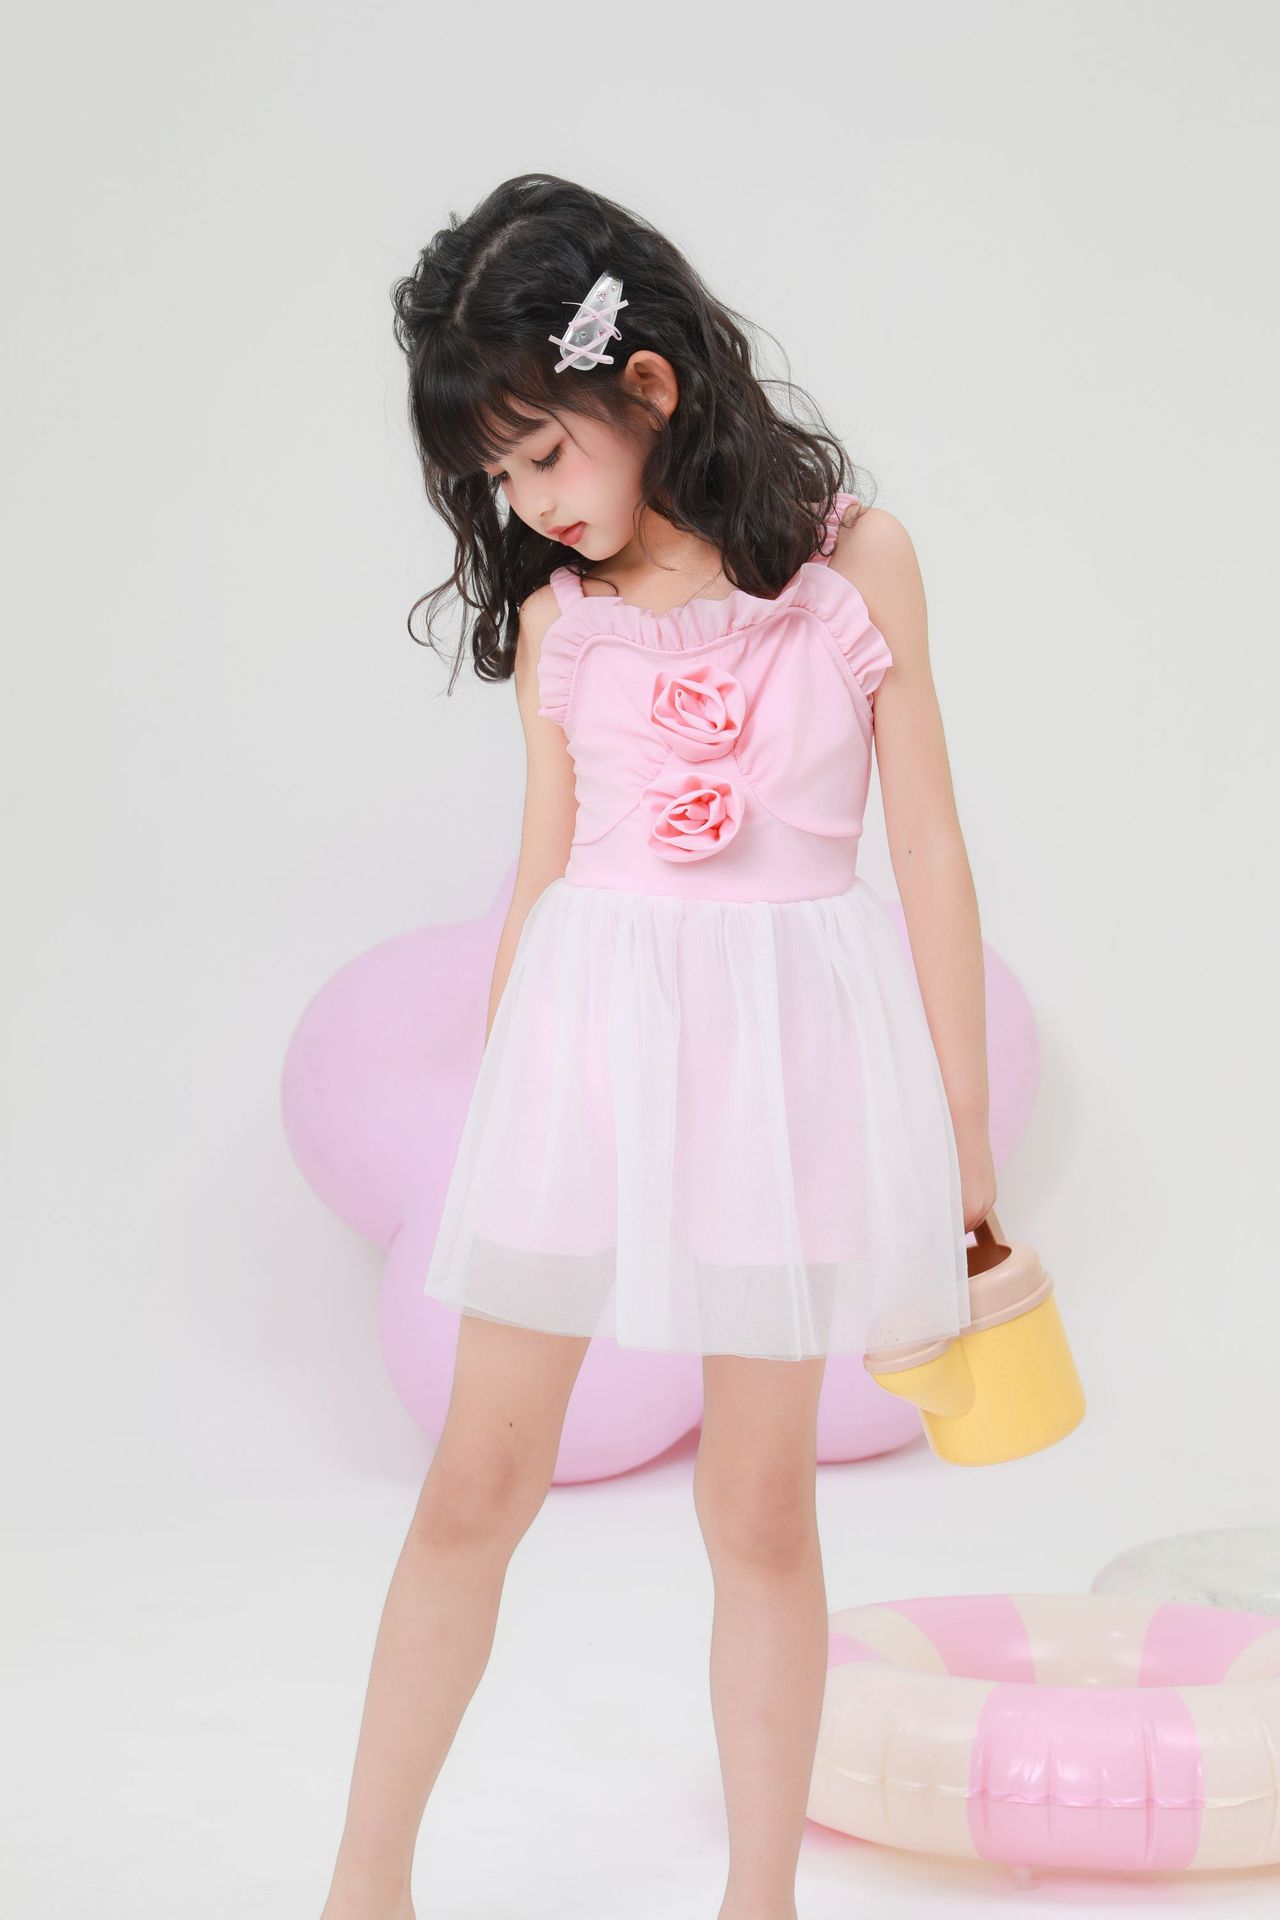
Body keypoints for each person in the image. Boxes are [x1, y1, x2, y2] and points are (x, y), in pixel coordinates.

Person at [320, 172, 996, 1920]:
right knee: (478, 1481)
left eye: (544, 454)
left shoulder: (854, 567)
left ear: (649, 386)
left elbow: (927, 848)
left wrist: (966, 1142)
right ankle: (363, 1888)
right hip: (587, 1058)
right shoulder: (565, 623)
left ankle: (758, 1902)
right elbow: (543, 879)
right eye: (498, 480)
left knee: (759, 1509)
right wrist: (502, 1129)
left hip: (787, 1069)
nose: (529, 505)